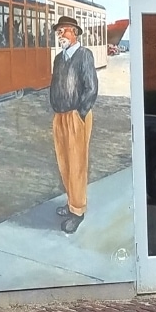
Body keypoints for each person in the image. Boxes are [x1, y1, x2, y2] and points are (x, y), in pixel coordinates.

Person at [49, 15, 98, 234]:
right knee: (65, 163)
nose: (60, 35)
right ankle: (71, 203)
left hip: (76, 116)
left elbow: (91, 87)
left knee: (77, 164)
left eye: (64, 31)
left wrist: (81, 113)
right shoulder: (59, 59)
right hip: (60, 116)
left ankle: (77, 211)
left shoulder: (84, 55)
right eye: (58, 32)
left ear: (75, 33)